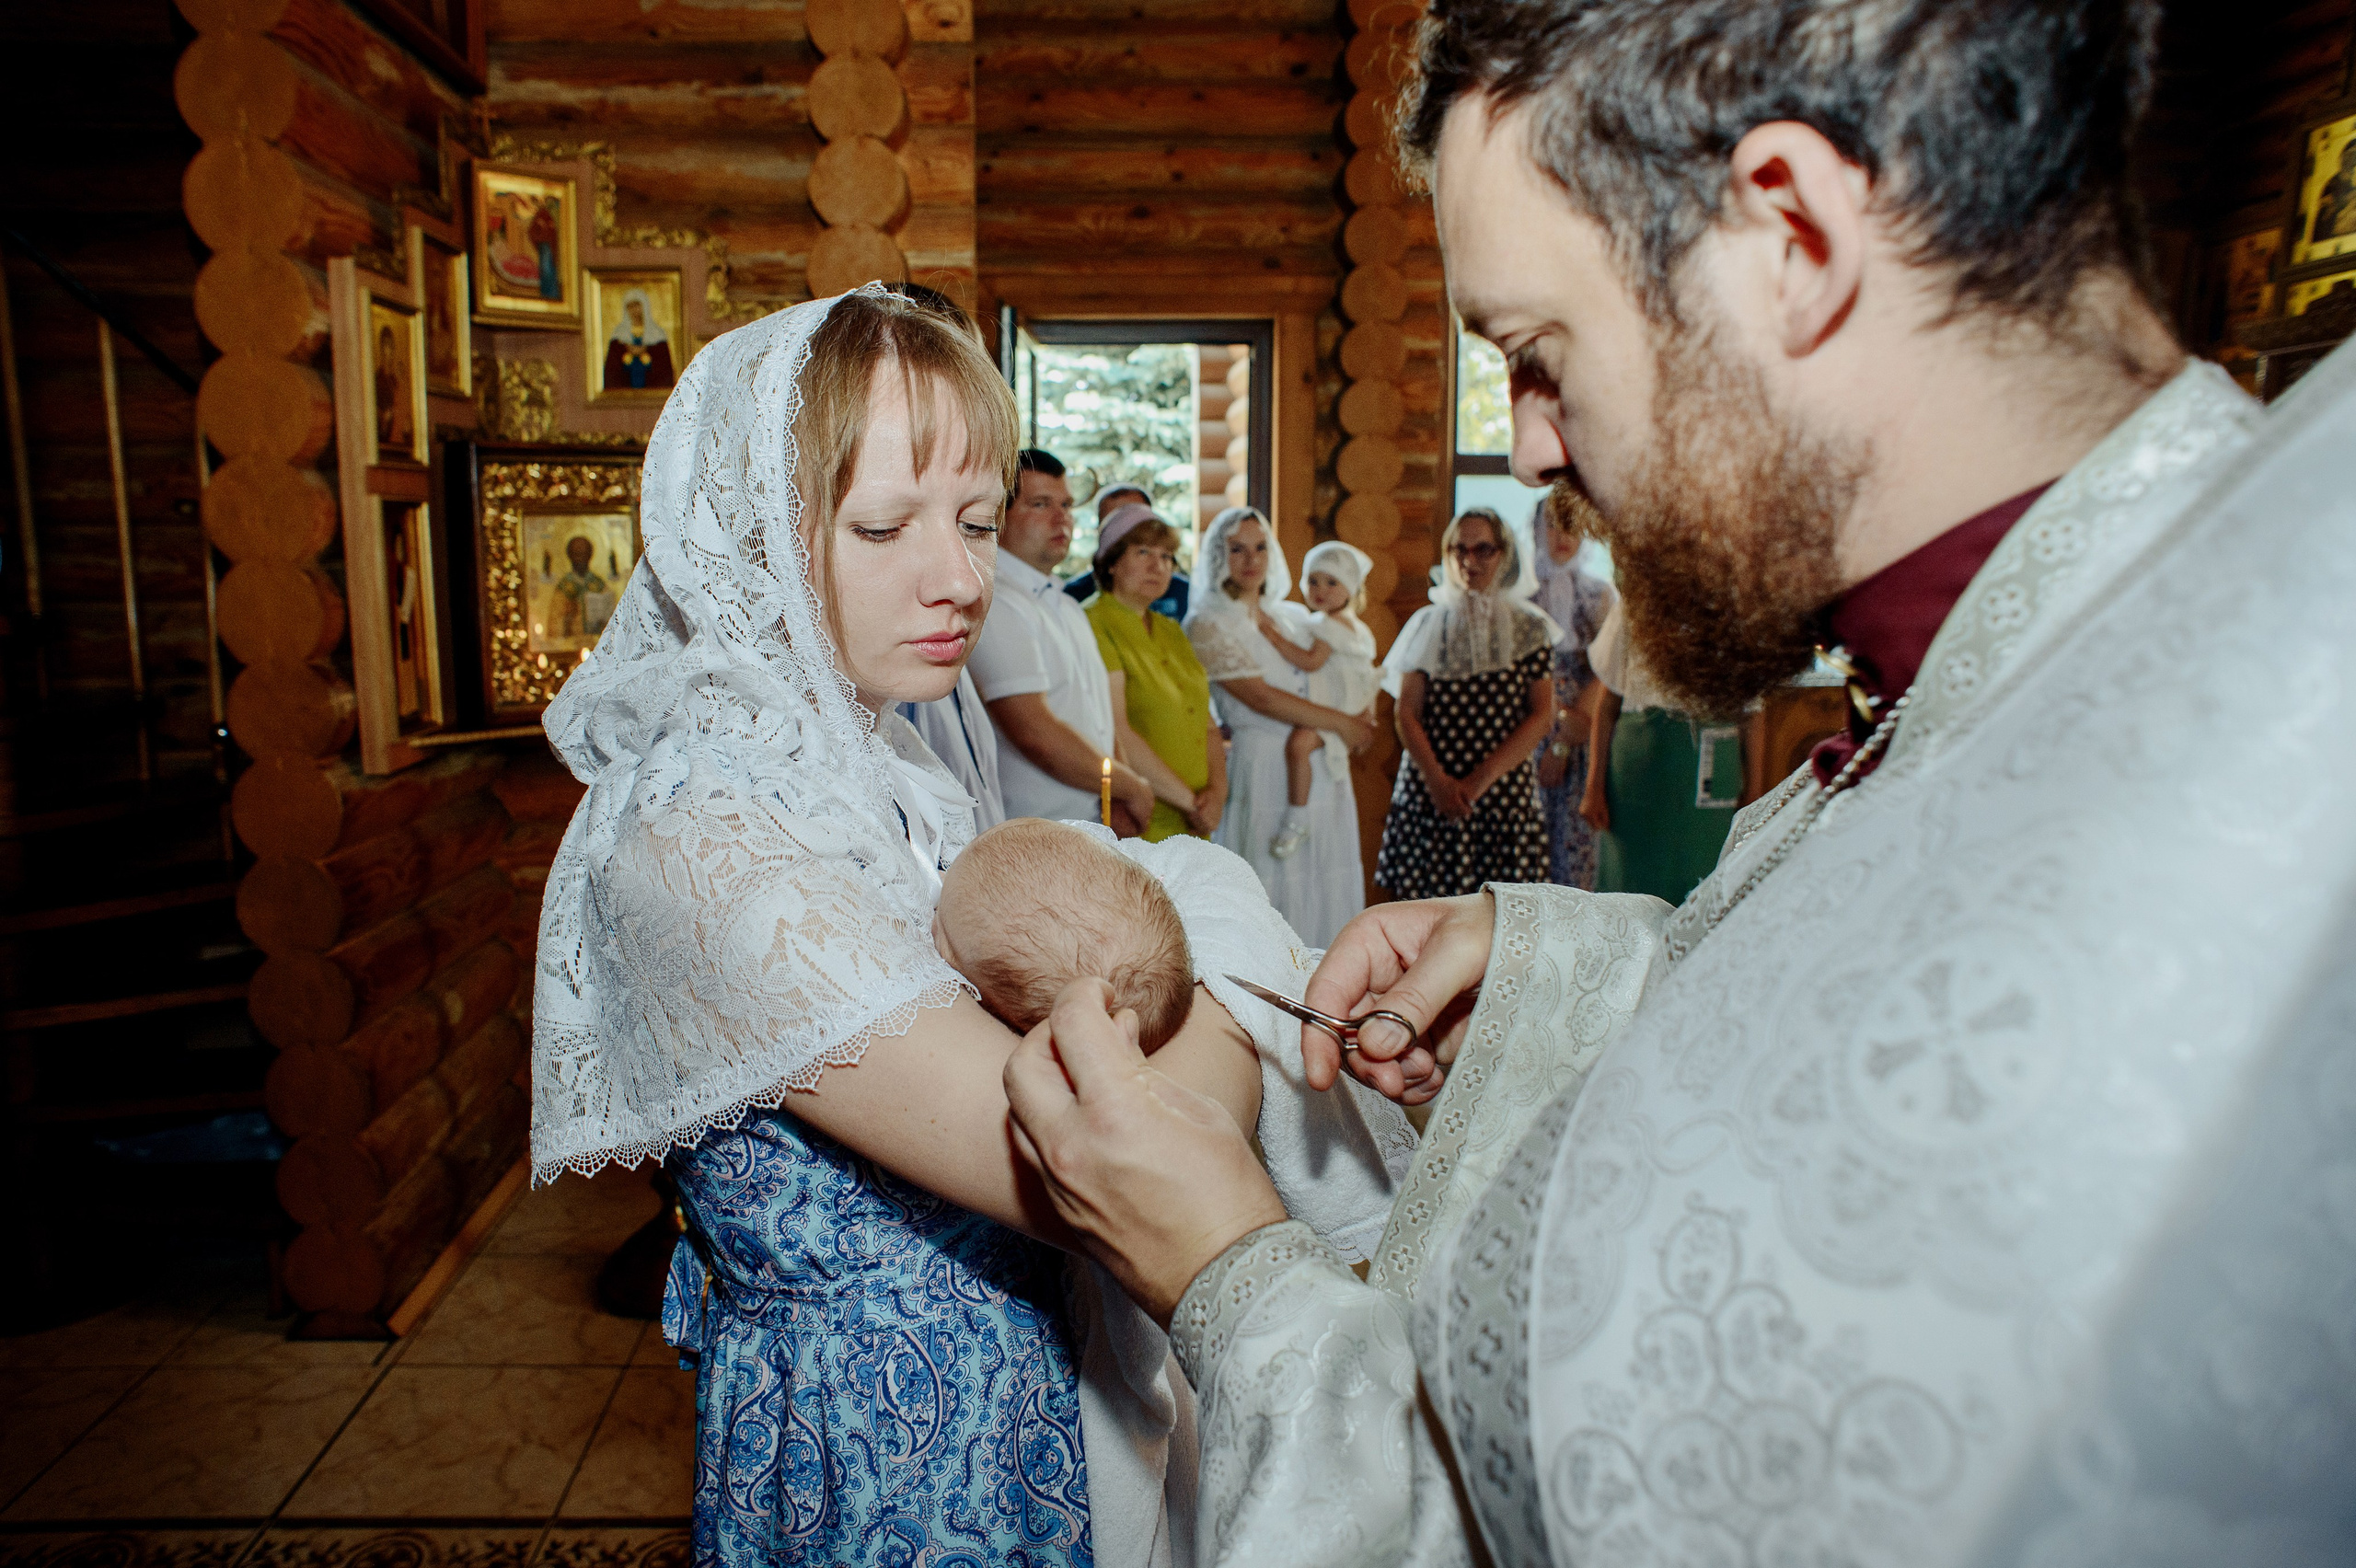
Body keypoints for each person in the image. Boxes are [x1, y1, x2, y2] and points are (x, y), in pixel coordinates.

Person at [999, 2, 2356, 1564]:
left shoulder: (2221, 844)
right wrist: (1550, 959)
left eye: (1539, 353)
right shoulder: (2100, 635)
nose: (1532, 447)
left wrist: (1232, 1273)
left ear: (1790, 235)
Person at [531, 285, 1266, 1566]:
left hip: (1016, 1391)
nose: (963, 576)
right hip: (881, 1456)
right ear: (751, 537)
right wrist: (1232, 981)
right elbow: (1100, 1163)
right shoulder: (695, 836)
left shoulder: (882, 759)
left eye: (979, 521)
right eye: (885, 525)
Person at [1184, 508, 1374, 948]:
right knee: (1272, 889)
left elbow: (1339, 667)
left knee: (1324, 882)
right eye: (1237, 549)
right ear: (1218, 556)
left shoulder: (1292, 617)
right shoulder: (1208, 623)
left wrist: (1361, 708)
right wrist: (1343, 724)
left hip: (1319, 767)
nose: (1251, 560)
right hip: (1265, 764)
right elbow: (1262, 697)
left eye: (1260, 548)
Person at [1372, 507, 1556, 899]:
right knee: (1424, 918)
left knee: (1503, 920)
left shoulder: (1530, 626)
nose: (1470, 561)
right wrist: (1439, 782)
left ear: (1504, 553)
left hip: (1503, 793)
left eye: (1483, 549)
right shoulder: (1428, 623)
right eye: (1460, 549)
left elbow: (1542, 713)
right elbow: (1406, 712)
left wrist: (1480, 780)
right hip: (1432, 791)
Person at [969, 448, 1156, 831]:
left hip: (1090, 821)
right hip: (1031, 829)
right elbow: (1033, 732)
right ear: (997, 515)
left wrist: (1115, 794)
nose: (1062, 518)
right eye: (1041, 504)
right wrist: (1130, 787)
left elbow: (1101, 719)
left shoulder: (1066, 605)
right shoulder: (995, 601)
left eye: (1067, 505)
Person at [1579, 598, 1743, 903]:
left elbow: (1753, 711)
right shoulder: (1634, 600)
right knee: (1631, 891)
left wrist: (1755, 793)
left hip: (1712, 772)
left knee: (1707, 888)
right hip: (1638, 775)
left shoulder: (1738, 600)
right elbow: (1606, 706)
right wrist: (1593, 787)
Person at [1086, 505, 1223, 842]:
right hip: (1139, 815)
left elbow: (1206, 722)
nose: (1157, 565)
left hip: (1196, 817)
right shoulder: (1093, 621)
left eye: (1166, 556)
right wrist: (1191, 803)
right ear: (1113, 561)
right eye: (1143, 551)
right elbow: (1117, 729)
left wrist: (1218, 792)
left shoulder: (1171, 629)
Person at [1274, 540, 1381, 860]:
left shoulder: (1329, 626)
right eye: (1313, 581)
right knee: (1301, 746)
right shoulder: (1357, 628)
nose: (1320, 590)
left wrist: (1273, 638)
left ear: (1350, 589)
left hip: (1340, 707)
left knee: (1299, 746)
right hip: (1353, 704)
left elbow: (1310, 662)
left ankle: (1297, 817)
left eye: (1332, 582)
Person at [1529, 492, 1615, 888]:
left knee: (1575, 850)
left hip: (1581, 730)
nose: (1562, 536)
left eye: (1571, 525)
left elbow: (1604, 669)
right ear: (1535, 530)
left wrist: (1564, 738)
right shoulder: (1521, 593)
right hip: (1527, 726)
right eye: (1551, 524)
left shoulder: (1599, 595)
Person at [1068, 481, 1190, 618]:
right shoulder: (1073, 602)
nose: (1157, 567)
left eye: (1138, 521)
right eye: (1113, 523)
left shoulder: (1186, 594)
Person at [602, 289, 676, 392]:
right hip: (625, 392)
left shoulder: (657, 333)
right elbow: (611, 370)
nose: (634, 310)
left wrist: (648, 351)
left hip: (652, 391)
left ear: (644, 306)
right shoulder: (618, 334)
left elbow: (664, 369)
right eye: (630, 306)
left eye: (637, 305)